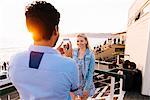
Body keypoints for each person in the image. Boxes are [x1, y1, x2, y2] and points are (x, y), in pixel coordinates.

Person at [9, 1, 79, 100]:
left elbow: (38, 71)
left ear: (29, 29)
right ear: (55, 29)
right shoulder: (69, 65)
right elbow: (73, 91)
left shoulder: (15, 60)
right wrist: (68, 59)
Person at [70, 33, 95, 100]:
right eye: (78, 41)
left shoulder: (90, 54)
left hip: (85, 84)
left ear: (86, 41)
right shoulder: (74, 52)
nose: (79, 43)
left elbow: (90, 73)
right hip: (74, 83)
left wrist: (86, 88)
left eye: (81, 41)